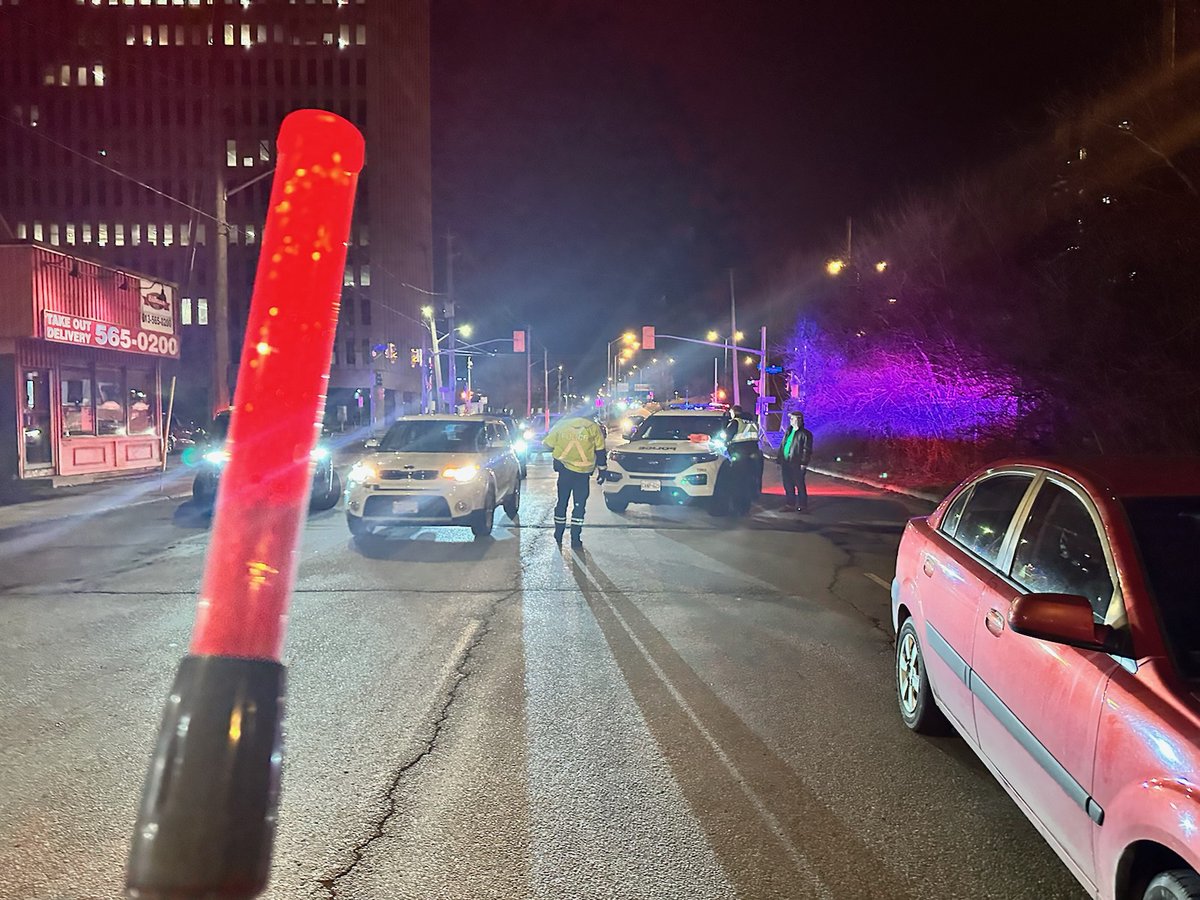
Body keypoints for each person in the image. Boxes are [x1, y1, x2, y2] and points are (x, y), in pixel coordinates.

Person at [543, 410, 607, 548]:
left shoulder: (561, 425)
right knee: (579, 506)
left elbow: (547, 444)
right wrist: (602, 471)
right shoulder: (592, 427)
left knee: (562, 503)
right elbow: (600, 451)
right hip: (583, 474)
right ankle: (575, 538)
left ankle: (558, 534)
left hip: (565, 472)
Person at [726, 405, 764, 511]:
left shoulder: (735, 422)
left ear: (733, 412)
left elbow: (727, 436)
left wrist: (726, 445)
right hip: (754, 455)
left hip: (740, 455)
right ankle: (750, 500)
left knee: (738, 481)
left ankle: (739, 505)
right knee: (751, 479)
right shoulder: (752, 422)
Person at [775, 410, 813, 512]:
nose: (790, 420)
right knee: (788, 484)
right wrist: (779, 460)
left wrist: (804, 463)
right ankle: (790, 504)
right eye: (790, 418)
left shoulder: (805, 434)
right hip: (786, 462)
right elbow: (783, 446)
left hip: (797, 463)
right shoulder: (788, 431)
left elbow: (807, 450)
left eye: (793, 418)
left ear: (799, 420)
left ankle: (802, 505)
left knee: (799, 484)